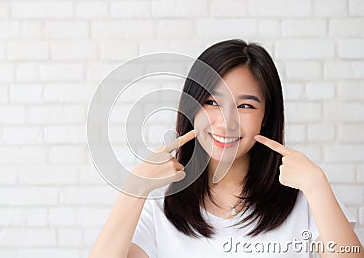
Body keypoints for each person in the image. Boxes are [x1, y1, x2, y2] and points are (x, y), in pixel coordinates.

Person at [89, 39, 363, 257]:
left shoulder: (303, 198)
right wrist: (134, 190)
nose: (226, 122)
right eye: (211, 102)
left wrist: (317, 185)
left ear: (266, 116)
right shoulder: (160, 207)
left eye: (245, 106)